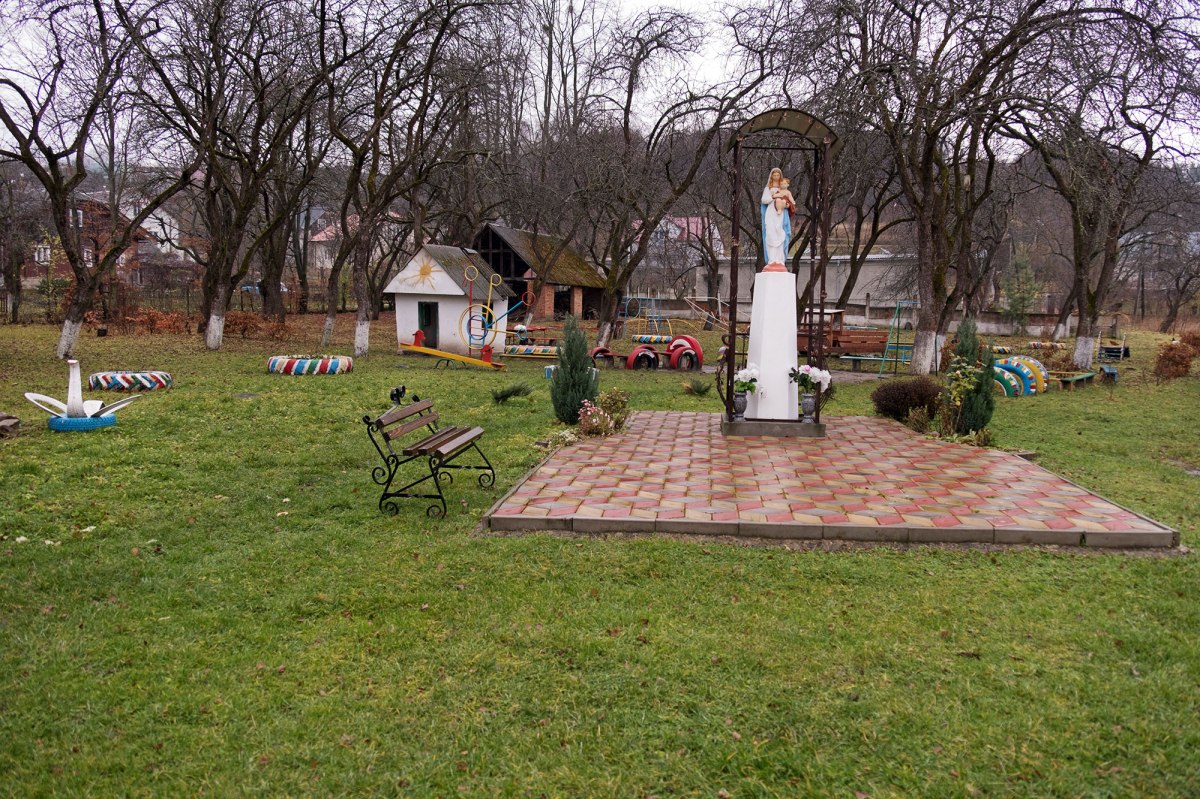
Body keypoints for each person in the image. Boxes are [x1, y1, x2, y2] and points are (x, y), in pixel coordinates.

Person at [760, 168, 792, 269]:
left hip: (780, 214)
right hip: (770, 213)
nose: (776, 177)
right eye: (775, 175)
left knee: (780, 233)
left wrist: (786, 204)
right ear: (772, 176)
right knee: (770, 233)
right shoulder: (768, 189)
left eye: (778, 175)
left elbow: (789, 202)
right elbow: (764, 200)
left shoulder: (784, 189)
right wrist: (773, 198)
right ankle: (771, 259)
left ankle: (780, 259)